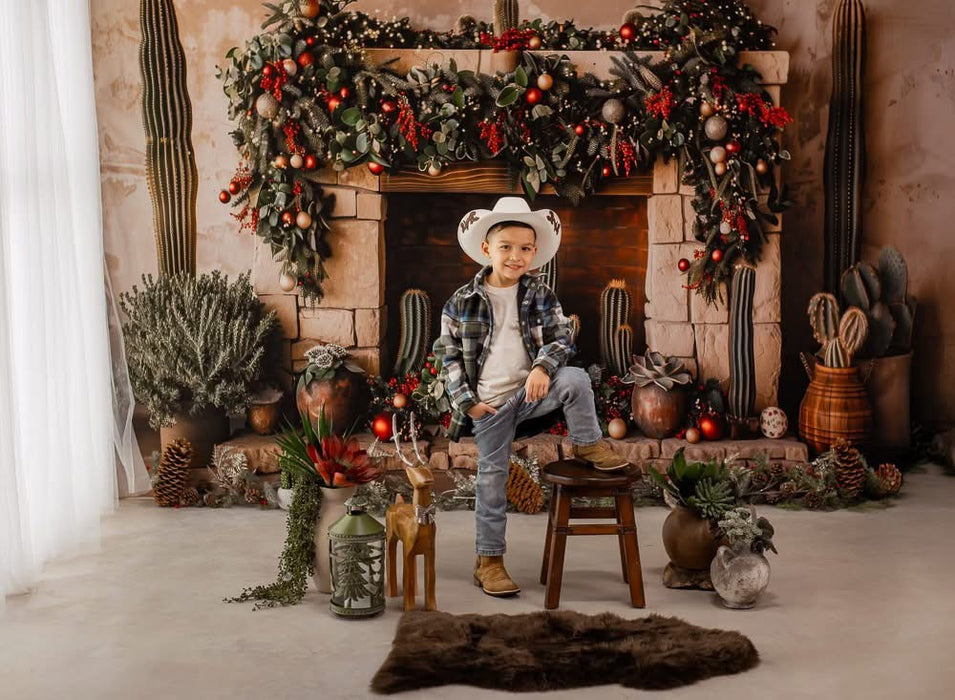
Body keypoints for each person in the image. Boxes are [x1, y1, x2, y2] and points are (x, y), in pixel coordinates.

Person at [433, 196, 630, 598]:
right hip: (489, 406)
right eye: (506, 247)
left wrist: (542, 368)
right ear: (487, 250)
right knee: (492, 480)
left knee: (575, 378)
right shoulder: (461, 302)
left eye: (525, 248)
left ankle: (588, 446)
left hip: (530, 395)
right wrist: (467, 403)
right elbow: (447, 355)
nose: (515, 256)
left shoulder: (541, 295)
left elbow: (562, 338)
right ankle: (489, 560)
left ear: (535, 253)